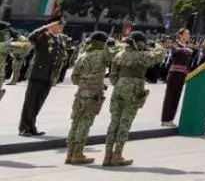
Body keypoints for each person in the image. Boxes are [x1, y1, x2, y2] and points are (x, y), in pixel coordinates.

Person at [104, 32, 164, 167]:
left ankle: (107, 155)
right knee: (125, 122)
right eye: (143, 42)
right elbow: (160, 54)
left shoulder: (119, 55)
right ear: (139, 42)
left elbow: (112, 75)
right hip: (134, 89)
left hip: (118, 88)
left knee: (114, 122)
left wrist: (120, 83)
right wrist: (154, 44)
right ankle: (117, 155)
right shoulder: (141, 55)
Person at [65, 31, 113, 165]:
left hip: (80, 93)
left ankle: (69, 153)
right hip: (93, 94)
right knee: (85, 123)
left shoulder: (83, 55)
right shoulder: (103, 53)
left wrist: (84, 83)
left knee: (75, 122)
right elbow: (115, 55)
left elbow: (74, 77)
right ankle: (78, 153)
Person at [18, 16, 65, 137]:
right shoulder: (43, 36)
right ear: (52, 25)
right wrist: (44, 28)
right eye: (60, 24)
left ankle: (32, 126)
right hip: (38, 73)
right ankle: (24, 128)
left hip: (49, 75)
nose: (62, 26)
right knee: (30, 101)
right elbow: (30, 38)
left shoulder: (60, 39)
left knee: (39, 102)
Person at [160, 28, 195, 126]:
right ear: (180, 35)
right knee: (169, 97)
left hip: (182, 75)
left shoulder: (187, 47)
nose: (189, 36)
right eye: (187, 34)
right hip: (174, 74)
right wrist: (185, 49)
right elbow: (175, 51)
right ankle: (165, 119)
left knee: (176, 97)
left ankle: (170, 119)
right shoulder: (176, 45)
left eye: (189, 34)